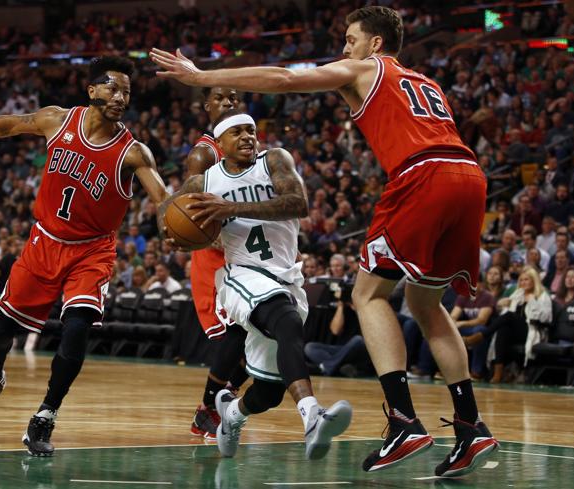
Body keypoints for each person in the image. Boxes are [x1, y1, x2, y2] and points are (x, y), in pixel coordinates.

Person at [150, 5, 498, 476]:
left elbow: (285, 79)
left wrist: (201, 76)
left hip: (423, 175)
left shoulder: (366, 67)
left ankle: (403, 421)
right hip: (470, 176)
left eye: (351, 39)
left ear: (375, 44)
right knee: (426, 305)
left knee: (367, 295)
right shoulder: (426, 83)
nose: (344, 48)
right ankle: (471, 426)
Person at [0, 56, 168, 456]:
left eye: (127, 92)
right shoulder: (58, 120)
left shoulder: (133, 153)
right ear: (92, 90)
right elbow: (9, 125)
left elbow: (163, 199)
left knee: (77, 328)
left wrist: (176, 221)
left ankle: (45, 416)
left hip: (92, 250)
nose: (120, 97)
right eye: (113, 88)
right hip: (45, 240)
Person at [159, 110, 351, 460]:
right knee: (287, 321)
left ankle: (232, 415)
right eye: (238, 132)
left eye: (251, 130)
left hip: (286, 276)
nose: (248, 136)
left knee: (269, 390)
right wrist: (178, 236)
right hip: (241, 275)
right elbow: (165, 212)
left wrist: (229, 208)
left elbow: (298, 203)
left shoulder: (275, 161)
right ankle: (312, 415)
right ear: (220, 144)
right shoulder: (205, 182)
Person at [185, 87, 251, 441]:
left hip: (247, 253)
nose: (228, 101)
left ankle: (220, 401)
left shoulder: (246, 149)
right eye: (220, 97)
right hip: (216, 259)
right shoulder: (202, 155)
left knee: (261, 335)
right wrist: (206, 233)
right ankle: (208, 409)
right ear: (206, 106)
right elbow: (185, 209)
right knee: (236, 332)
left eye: (233, 97)